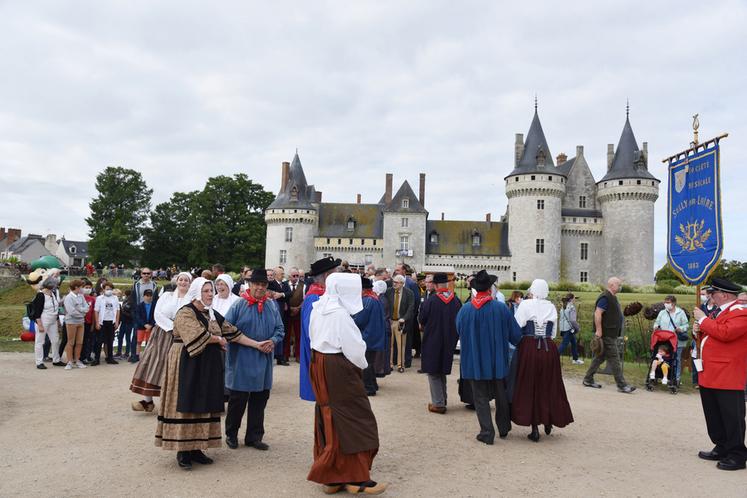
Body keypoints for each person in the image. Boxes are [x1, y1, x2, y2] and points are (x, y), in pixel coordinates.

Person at [154, 278, 250, 470]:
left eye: (211, 290)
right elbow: (196, 336)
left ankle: (197, 447)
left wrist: (257, 344)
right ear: (197, 292)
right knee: (186, 401)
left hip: (205, 364)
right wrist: (218, 340)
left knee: (202, 402)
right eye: (206, 290)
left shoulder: (212, 314)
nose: (210, 294)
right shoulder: (185, 312)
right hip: (185, 361)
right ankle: (183, 450)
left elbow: (232, 332)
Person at [307, 273, 386, 495]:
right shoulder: (340, 315)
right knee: (356, 418)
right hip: (337, 367)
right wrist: (359, 365)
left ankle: (333, 476)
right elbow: (356, 350)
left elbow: (312, 336)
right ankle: (355, 476)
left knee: (330, 416)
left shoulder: (318, 308)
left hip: (319, 363)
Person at [457, 270, 521, 444]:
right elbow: (515, 335)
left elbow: (458, 331)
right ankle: (503, 427)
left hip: (474, 360)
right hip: (497, 360)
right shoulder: (501, 308)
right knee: (501, 395)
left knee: (480, 397)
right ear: (490, 288)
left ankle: (487, 431)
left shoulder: (465, 310)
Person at [224, 269, 285, 450]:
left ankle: (254, 436)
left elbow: (280, 329)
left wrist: (272, 341)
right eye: (257, 284)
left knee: (260, 399)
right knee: (238, 399)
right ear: (249, 285)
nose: (260, 287)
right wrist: (251, 343)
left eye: (263, 284)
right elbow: (227, 330)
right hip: (241, 359)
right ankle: (231, 434)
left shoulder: (271, 306)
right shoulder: (238, 305)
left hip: (263, 359)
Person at [692, 278, 747, 471]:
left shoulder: (740, 312)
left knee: (732, 417)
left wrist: (703, 320)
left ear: (724, 295)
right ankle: (722, 445)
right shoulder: (721, 311)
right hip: (712, 371)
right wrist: (698, 330)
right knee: (714, 414)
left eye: (712, 293)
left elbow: (725, 333)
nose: (710, 296)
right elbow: (713, 335)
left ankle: (737, 454)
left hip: (727, 374)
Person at [511, 279, 574, 442]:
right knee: (549, 384)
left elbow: (517, 326)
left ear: (533, 290)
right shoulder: (551, 306)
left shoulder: (525, 305)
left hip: (530, 348)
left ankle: (534, 428)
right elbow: (553, 333)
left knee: (530, 384)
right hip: (548, 349)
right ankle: (548, 420)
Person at [131, 271, 192, 412]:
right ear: (177, 281)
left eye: (186, 280)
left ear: (190, 283)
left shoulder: (191, 300)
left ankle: (173, 401)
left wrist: (179, 329)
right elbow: (157, 313)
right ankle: (147, 401)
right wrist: (171, 327)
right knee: (152, 363)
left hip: (182, 337)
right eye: (181, 280)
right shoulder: (166, 296)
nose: (183, 282)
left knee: (175, 368)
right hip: (162, 334)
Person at [582, 277, 636, 393]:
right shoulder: (605, 297)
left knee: (599, 358)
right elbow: (597, 314)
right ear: (612, 285)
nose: (620, 287)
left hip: (610, 333)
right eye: (618, 285)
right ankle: (622, 385)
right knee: (615, 359)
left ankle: (588, 379)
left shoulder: (612, 297)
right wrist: (599, 330)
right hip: (606, 334)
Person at [418, 273, 461, 414]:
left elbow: (422, 319)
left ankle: (438, 403)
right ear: (447, 285)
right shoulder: (456, 301)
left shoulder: (431, 301)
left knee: (433, 371)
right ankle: (442, 399)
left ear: (436, 285)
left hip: (433, 339)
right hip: (450, 339)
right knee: (441, 370)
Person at [300, 256, 341, 401]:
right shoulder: (315, 297)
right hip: (319, 353)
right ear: (327, 276)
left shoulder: (324, 294)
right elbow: (311, 330)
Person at [353, 276, 388, 396]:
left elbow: (360, 319)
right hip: (375, 336)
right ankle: (373, 384)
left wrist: (351, 318)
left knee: (366, 362)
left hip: (368, 336)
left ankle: (369, 388)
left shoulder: (366, 300)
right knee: (370, 362)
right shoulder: (375, 298)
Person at [652, 295, 689, 384]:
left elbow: (686, 325)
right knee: (660, 357)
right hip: (664, 340)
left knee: (676, 359)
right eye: (665, 302)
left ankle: (676, 378)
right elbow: (657, 322)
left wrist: (681, 328)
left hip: (677, 340)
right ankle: (659, 375)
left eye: (668, 302)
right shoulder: (662, 312)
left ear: (673, 303)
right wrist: (656, 327)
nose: (666, 304)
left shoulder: (680, 313)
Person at [31, 275, 63, 369]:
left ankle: (56, 359)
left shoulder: (52, 293)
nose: (56, 286)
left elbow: (55, 308)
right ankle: (39, 362)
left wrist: (57, 322)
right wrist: (40, 325)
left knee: (55, 340)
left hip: (53, 320)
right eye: (55, 284)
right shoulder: (40, 295)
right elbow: (37, 312)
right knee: (40, 341)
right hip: (43, 320)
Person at [385, 275, 414, 373]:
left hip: (400, 322)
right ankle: (390, 364)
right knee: (390, 344)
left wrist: (404, 318)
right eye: (393, 281)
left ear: (402, 283)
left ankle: (400, 365)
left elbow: (411, 308)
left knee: (401, 344)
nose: (394, 284)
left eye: (396, 282)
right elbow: (385, 305)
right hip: (390, 321)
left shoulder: (409, 293)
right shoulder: (389, 291)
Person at [62, 279, 89, 370]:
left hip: (81, 321)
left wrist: (81, 310)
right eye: (81, 287)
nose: (83, 289)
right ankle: (69, 361)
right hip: (71, 322)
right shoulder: (69, 297)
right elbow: (71, 311)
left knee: (79, 342)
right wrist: (82, 312)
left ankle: (77, 360)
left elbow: (86, 307)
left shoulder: (81, 296)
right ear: (76, 287)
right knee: (71, 342)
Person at [92, 282, 120, 366]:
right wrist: (97, 322)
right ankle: (97, 358)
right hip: (102, 321)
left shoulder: (115, 298)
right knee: (99, 341)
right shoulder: (99, 298)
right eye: (107, 289)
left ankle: (110, 357)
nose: (109, 291)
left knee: (110, 340)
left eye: (111, 289)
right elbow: (96, 311)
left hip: (111, 321)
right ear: (103, 289)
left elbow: (118, 310)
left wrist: (117, 321)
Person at [268, 266, 292, 365]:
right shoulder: (269, 284)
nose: (283, 275)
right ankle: (275, 355)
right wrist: (281, 295)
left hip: (283, 312)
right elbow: (271, 294)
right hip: (273, 311)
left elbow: (289, 293)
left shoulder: (284, 284)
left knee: (281, 332)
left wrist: (281, 295)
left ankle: (280, 356)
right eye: (281, 273)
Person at [372, 279, 392, 379]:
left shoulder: (381, 299)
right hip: (383, 327)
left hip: (383, 328)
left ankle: (379, 370)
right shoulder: (381, 298)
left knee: (380, 354)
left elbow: (382, 316)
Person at [558, 293, 583, 364]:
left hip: (563, 328)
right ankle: (554, 357)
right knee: (564, 344)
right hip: (569, 329)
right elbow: (572, 320)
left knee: (574, 343)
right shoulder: (571, 307)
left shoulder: (563, 306)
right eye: (574, 298)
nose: (575, 300)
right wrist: (578, 328)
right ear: (572, 299)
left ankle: (575, 359)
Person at [134, 289, 156, 357]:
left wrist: (151, 325)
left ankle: (147, 355)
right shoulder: (139, 305)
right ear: (144, 296)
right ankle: (137, 355)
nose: (149, 297)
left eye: (150, 296)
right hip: (141, 326)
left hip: (151, 326)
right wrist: (144, 324)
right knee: (139, 341)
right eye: (147, 295)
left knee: (149, 342)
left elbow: (156, 316)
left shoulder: (155, 305)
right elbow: (138, 317)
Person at [80, 279, 97, 364]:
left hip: (89, 322)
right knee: (81, 341)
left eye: (89, 287)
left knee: (89, 340)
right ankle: (81, 357)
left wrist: (93, 324)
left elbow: (94, 312)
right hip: (81, 322)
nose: (88, 289)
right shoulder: (79, 297)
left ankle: (88, 356)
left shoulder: (93, 299)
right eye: (86, 287)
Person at [117, 289, 135, 359]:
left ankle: (127, 353)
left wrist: (122, 311)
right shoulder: (125, 301)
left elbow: (132, 314)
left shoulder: (132, 302)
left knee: (127, 337)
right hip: (124, 322)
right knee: (120, 337)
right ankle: (119, 352)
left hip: (129, 322)